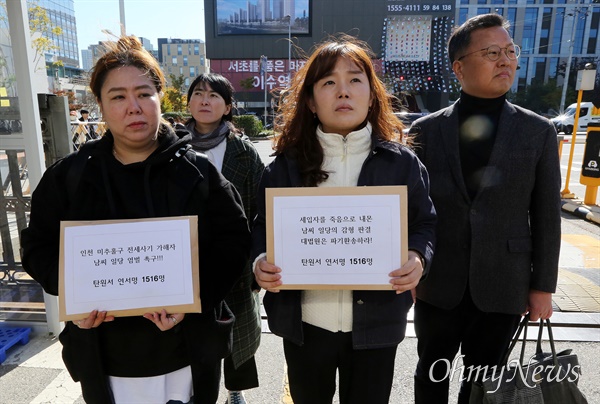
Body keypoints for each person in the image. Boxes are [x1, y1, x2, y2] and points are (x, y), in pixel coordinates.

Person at [20, 36, 251, 404]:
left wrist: (196, 297)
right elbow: (37, 247)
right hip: (104, 354)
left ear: (160, 97)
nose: (133, 107)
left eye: (144, 93)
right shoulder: (72, 177)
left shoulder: (198, 173)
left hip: (186, 352)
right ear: (100, 104)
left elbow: (234, 241)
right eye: (117, 96)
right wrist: (74, 294)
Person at [252, 36, 436, 404]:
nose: (343, 92)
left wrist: (418, 257)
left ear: (372, 95)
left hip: (377, 324)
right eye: (328, 83)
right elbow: (260, 227)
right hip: (304, 325)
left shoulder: (400, 163)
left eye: (355, 80)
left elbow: (424, 223)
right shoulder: (286, 166)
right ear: (310, 101)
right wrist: (259, 263)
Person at [410, 14, 561, 404]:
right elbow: (410, 208)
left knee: (484, 384)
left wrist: (542, 287)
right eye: (492, 52)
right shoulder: (424, 131)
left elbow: (546, 215)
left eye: (510, 51)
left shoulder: (538, 131)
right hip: (437, 282)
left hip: (504, 283)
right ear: (459, 67)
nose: (506, 61)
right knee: (431, 373)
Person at [185, 73, 264, 404]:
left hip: (234, 259)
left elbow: (261, 210)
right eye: (198, 93)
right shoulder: (170, 146)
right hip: (185, 260)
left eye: (214, 95)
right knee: (190, 330)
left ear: (228, 107)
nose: (205, 100)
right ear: (188, 102)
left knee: (239, 329)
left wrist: (258, 258)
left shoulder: (244, 153)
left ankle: (235, 389)